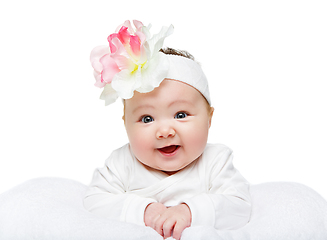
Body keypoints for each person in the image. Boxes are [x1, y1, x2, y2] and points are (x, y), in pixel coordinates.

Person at [84, 20, 251, 240]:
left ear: (209, 118)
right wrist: (145, 211)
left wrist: (190, 212)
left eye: (181, 115)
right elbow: (94, 201)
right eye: (147, 118)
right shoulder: (122, 164)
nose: (164, 131)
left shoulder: (215, 162)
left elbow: (239, 205)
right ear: (125, 123)